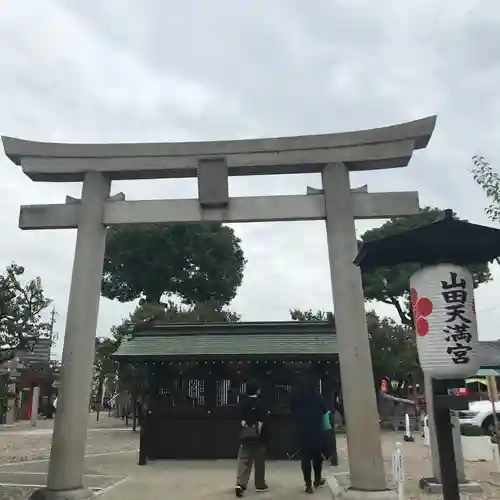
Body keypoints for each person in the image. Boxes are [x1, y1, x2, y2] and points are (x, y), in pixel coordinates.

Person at [291, 377, 327, 494]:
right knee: (317, 457)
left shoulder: (297, 397)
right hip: (316, 430)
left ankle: (308, 484)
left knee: (305, 457)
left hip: (302, 431)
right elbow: (324, 411)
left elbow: (292, 411)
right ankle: (317, 480)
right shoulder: (318, 397)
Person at [235, 379, 269, 497]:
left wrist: (246, 428)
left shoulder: (242, 402)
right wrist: (257, 433)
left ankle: (241, 484)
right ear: (257, 390)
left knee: (244, 461)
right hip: (258, 439)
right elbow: (261, 421)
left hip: (245, 437)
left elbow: (240, 419)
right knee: (259, 462)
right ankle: (260, 485)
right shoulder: (261, 403)